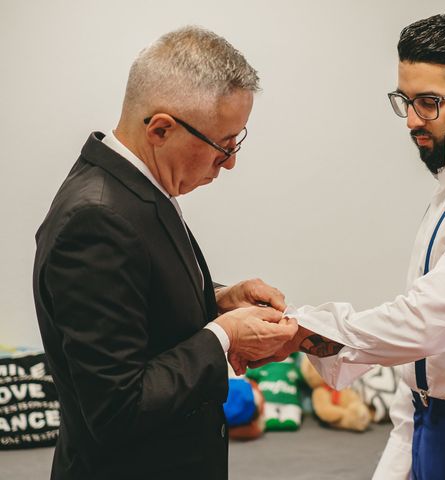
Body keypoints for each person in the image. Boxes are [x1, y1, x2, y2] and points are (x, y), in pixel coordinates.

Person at [243, 12, 445, 479]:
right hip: (436, 420)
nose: (412, 121)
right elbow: (430, 356)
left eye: (429, 102)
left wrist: (303, 330)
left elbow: (427, 322)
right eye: (405, 100)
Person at [32, 26, 297, 480]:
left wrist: (217, 297)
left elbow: (137, 292)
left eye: (237, 142)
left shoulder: (133, 187)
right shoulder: (95, 219)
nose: (231, 162)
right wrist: (225, 337)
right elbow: (117, 409)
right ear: (160, 129)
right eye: (223, 146)